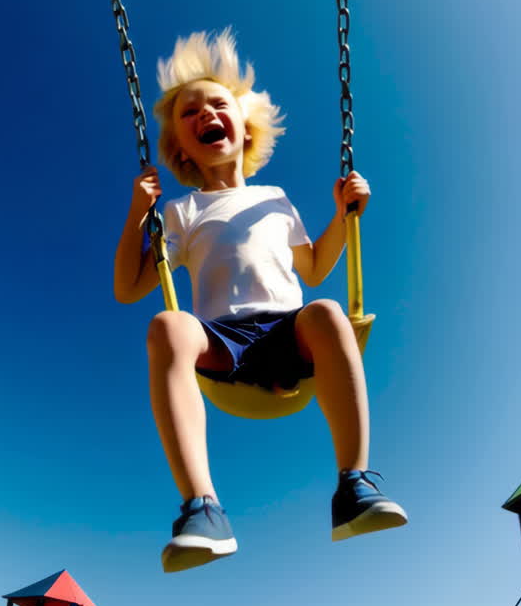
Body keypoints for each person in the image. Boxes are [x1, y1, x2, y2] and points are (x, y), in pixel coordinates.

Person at [114, 29, 408, 572]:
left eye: (217, 104)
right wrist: (139, 211)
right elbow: (128, 287)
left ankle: (354, 485)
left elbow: (316, 266)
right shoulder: (181, 212)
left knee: (324, 311)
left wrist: (346, 216)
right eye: (190, 112)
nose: (206, 114)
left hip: (286, 334)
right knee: (168, 324)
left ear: (243, 126)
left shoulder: (275, 199)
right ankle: (202, 507)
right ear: (180, 145)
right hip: (221, 342)